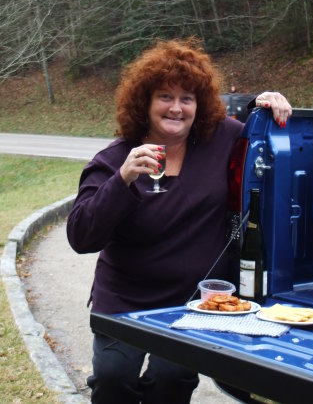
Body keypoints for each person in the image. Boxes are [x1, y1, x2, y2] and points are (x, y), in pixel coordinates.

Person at [66, 37, 292, 404]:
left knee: (171, 380)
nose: (176, 108)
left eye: (186, 98)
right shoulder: (114, 159)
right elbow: (80, 236)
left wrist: (265, 103)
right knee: (112, 380)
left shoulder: (221, 140)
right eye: (165, 97)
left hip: (190, 302)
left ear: (199, 105)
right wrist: (122, 180)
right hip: (125, 298)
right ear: (145, 103)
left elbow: (258, 131)